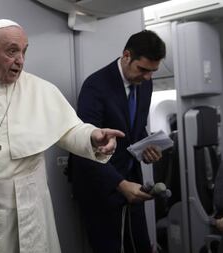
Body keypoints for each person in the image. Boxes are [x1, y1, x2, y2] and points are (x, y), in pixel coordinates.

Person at [0, 19, 124, 253]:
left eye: (24, 51)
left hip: (27, 214)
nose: (20, 60)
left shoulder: (42, 90)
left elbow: (70, 129)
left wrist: (93, 136)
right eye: (12, 51)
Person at [69, 30, 166, 253]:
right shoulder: (96, 86)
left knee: (140, 245)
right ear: (126, 55)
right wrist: (119, 184)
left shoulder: (145, 84)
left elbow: (134, 127)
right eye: (142, 69)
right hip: (101, 185)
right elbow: (85, 145)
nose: (148, 77)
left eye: (153, 72)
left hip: (132, 179)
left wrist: (146, 147)